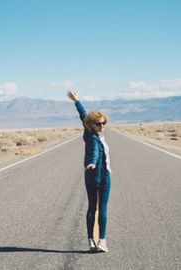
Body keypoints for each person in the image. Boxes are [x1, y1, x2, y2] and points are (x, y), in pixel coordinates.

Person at [67, 91, 111, 252]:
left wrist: (76, 101)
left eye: (103, 123)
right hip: (102, 176)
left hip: (90, 176)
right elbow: (95, 153)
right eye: (98, 124)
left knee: (92, 207)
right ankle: (102, 241)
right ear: (91, 125)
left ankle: (91, 241)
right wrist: (92, 162)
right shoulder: (93, 138)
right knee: (102, 207)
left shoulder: (89, 132)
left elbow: (83, 115)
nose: (102, 126)